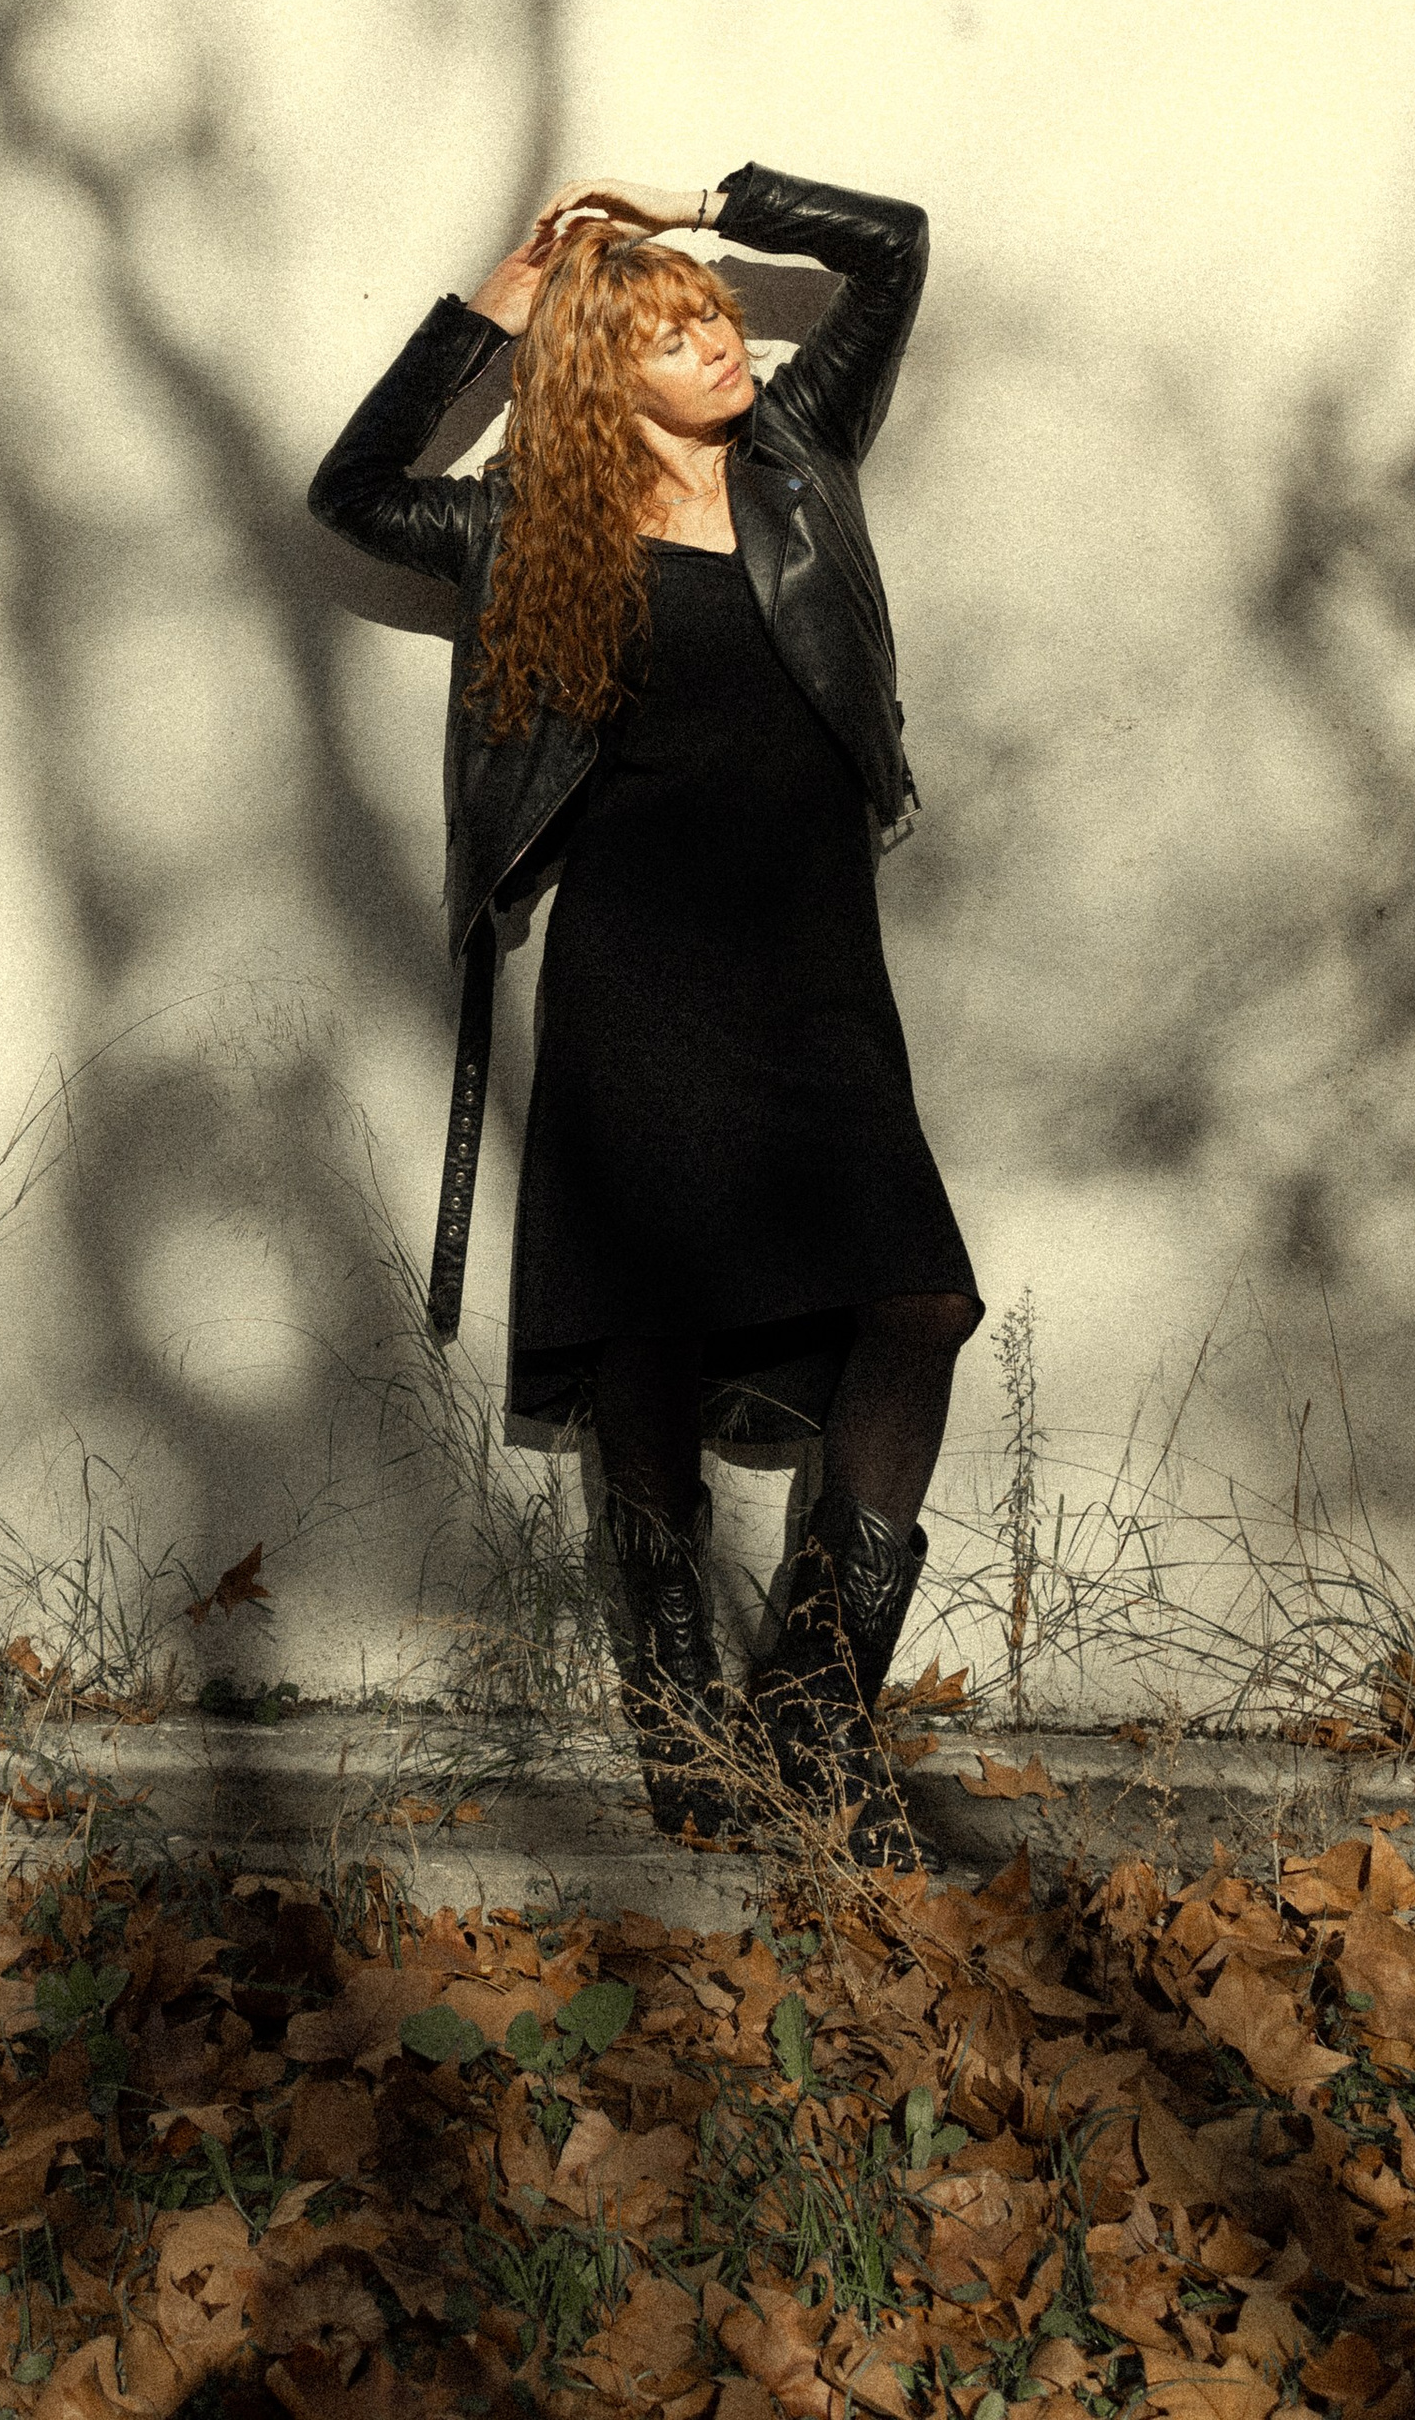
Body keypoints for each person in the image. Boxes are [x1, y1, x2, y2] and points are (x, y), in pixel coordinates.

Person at [308, 166, 982, 1862]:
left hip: (820, 971)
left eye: (717, 317)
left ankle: (815, 1709)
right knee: (653, 1336)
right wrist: (505, 295)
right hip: (642, 970)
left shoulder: (803, 461)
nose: (721, 340)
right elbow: (352, 488)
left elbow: (891, 244)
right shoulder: (523, 529)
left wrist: (708, 201)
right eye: (678, 332)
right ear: (612, 376)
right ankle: (686, 1724)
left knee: (916, 1304)